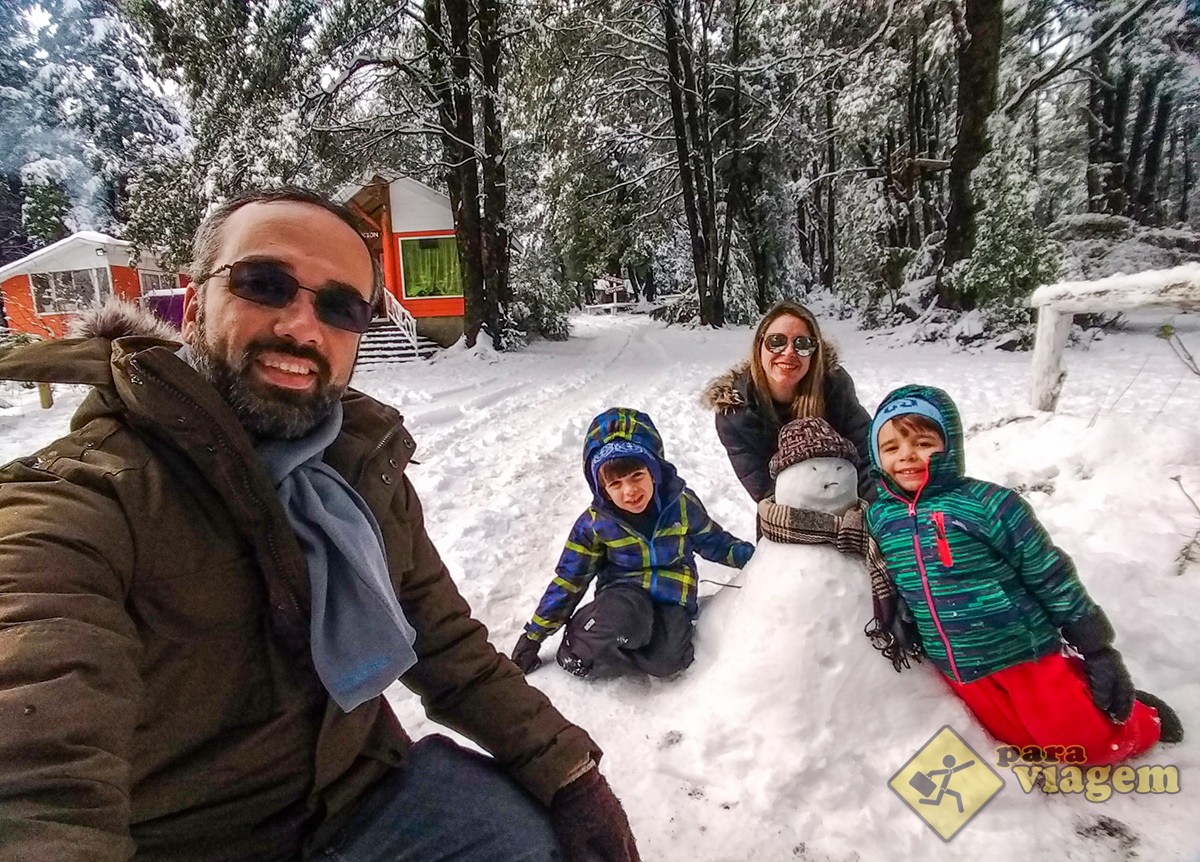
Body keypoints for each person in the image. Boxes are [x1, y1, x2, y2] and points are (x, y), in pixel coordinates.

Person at [0, 188, 640, 862]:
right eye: (265, 284)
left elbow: (447, 643)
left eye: (339, 306)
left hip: (363, 795)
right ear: (193, 308)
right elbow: (36, 756)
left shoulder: (360, 472)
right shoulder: (79, 500)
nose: (303, 328)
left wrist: (569, 774)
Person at [863, 384, 1183, 763]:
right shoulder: (881, 517)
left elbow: (1049, 574)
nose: (907, 457)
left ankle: (1143, 720)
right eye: (892, 448)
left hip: (1021, 652)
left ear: (949, 444)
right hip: (958, 664)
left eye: (922, 442)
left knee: (1086, 745)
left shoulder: (990, 505)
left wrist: (1096, 646)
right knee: (1015, 740)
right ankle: (1082, 699)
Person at [511, 407, 753, 679]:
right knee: (625, 620)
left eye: (637, 476)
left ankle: (627, 642)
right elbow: (569, 580)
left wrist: (758, 558)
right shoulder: (595, 524)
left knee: (669, 662)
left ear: (654, 472)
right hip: (622, 595)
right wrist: (534, 636)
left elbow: (715, 542)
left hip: (671, 597)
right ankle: (581, 641)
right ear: (602, 488)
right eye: (616, 483)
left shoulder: (681, 506)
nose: (629, 491)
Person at [702, 300, 873, 505]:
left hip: (851, 503)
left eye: (802, 344)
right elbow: (766, 492)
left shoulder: (834, 387)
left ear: (814, 352)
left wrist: (876, 519)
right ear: (759, 346)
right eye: (776, 341)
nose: (789, 352)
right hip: (785, 520)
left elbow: (867, 459)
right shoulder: (734, 412)